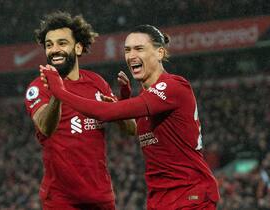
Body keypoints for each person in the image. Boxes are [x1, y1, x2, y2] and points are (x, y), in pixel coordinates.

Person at [40, 24, 220, 210]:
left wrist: (59, 91)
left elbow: (104, 113)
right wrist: (123, 100)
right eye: (127, 50)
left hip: (189, 194)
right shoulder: (147, 97)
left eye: (139, 48)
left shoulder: (173, 86)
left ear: (159, 53)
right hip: (160, 197)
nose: (131, 55)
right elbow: (133, 128)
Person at [24, 12, 136, 210]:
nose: (54, 50)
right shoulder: (38, 87)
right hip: (61, 200)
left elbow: (131, 129)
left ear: (77, 47)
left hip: (101, 197)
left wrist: (118, 109)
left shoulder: (97, 82)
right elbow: (45, 127)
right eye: (49, 45)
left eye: (62, 43)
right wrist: (57, 92)